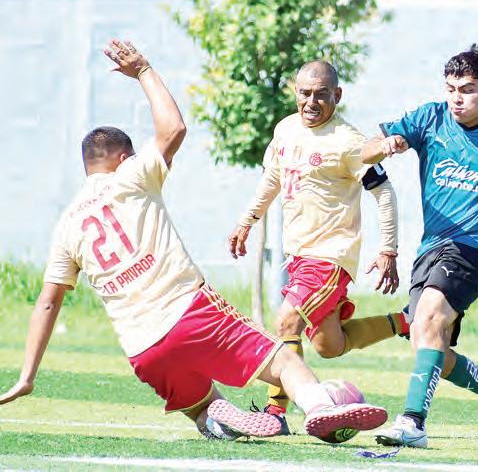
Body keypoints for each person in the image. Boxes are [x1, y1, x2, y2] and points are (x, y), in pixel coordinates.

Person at [0, 40, 389, 442]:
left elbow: (48, 302)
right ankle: (322, 406)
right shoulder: (131, 177)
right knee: (285, 362)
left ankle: (212, 419)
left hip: (141, 349)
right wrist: (143, 71)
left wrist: (27, 376)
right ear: (123, 159)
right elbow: (174, 129)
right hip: (189, 312)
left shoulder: (67, 225)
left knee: (199, 402)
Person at [362, 45, 478, 448]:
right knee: (429, 343)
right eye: (451, 89)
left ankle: (412, 423)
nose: (457, 98)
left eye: (468, 89)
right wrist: (385, 146)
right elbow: (366, 150)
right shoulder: (430, 118)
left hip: (473, 248)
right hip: (431, 248)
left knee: (427, 320)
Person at [229, 60, 408, 434]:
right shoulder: (285, 129)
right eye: (305, 93)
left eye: (321, 95)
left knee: (286, 321)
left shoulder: (349, 141)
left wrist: (388, 249)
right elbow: (272, 179)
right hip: (298, 256)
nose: (311, 102)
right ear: (295, 92)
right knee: (329, 345)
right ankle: (406, 321)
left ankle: (276, 413)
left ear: (337, 95)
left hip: (330, 256)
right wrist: (246, 220)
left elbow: (384, 192)